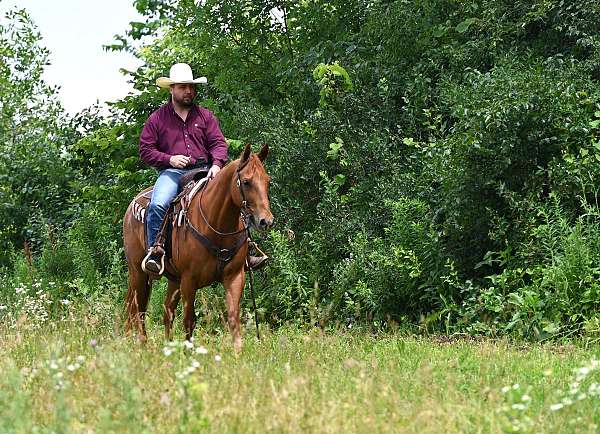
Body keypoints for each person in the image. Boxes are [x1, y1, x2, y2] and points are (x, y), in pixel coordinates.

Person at [139, 63, 266, 274]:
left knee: (235, 198)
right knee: (159, 204)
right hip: (173, 173)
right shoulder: (157, 119)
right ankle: (155, 251)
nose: (188, 91)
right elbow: (146, 150)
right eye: (182, 87)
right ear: (171, 89)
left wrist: (216, 165)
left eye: (190, 87)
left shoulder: (205, 116)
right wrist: (169, 159)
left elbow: (218, 144)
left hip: (205, 170)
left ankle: (245, 250)